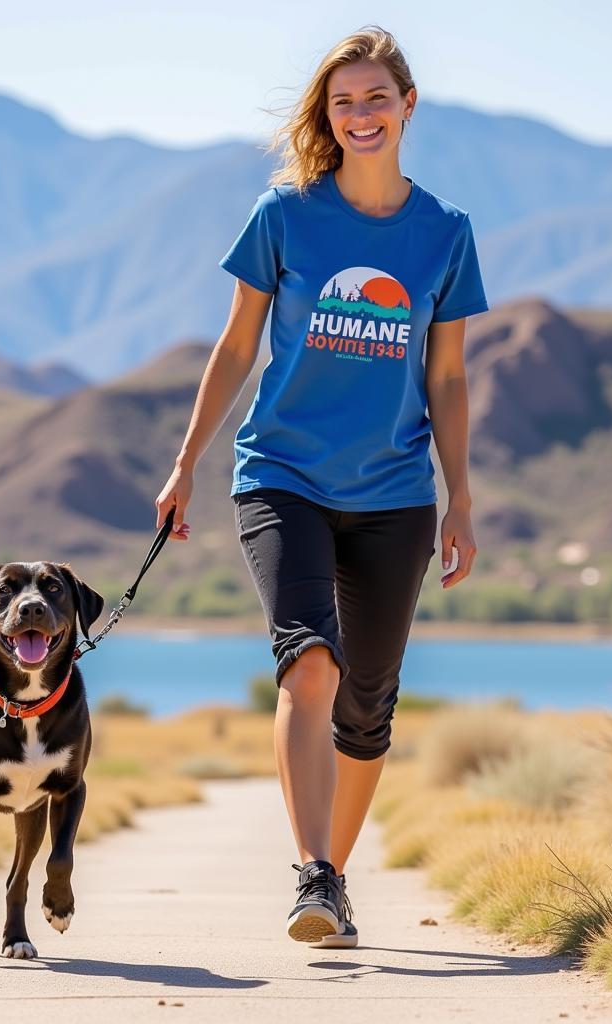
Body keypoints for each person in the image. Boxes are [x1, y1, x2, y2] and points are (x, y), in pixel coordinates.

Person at [155, 25, 489, 948]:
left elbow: (449, 378)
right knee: (310, 656)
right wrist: (185, 463)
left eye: (376, 98)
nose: (361, 115)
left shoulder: (444, 234)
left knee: (368, 699)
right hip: (282, 475)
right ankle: (312, 872)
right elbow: (235, 347)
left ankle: (334, 878)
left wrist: (460, 497)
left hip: (393, 491)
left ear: (407, 105)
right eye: (344, 101)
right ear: (327, 116)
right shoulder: (285, 214)